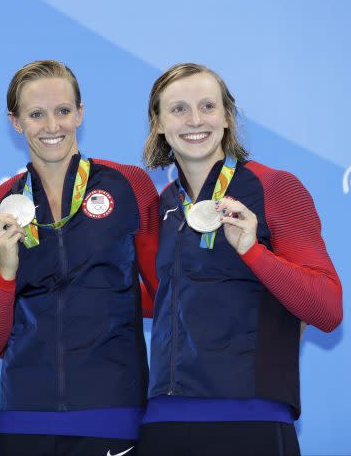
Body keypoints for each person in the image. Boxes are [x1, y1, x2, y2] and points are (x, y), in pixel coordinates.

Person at [136, 62, 343, 456]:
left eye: (208, 106)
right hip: (163, 421)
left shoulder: (274, 187)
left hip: (252, 417)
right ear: (159, 123)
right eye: (178, 109)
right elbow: (161, 299)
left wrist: (252, 251)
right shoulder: (163, 206)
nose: (195, 120)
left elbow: (327, 308)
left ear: (228, 117)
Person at [0, 60, 159, 456]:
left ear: (80, 113)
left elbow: (167, 294)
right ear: (16, 122)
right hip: (24, 420)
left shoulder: (129, 186)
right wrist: (6, 272)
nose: (52, 126)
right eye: (36, 114)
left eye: (63, 111)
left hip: (113, 414)